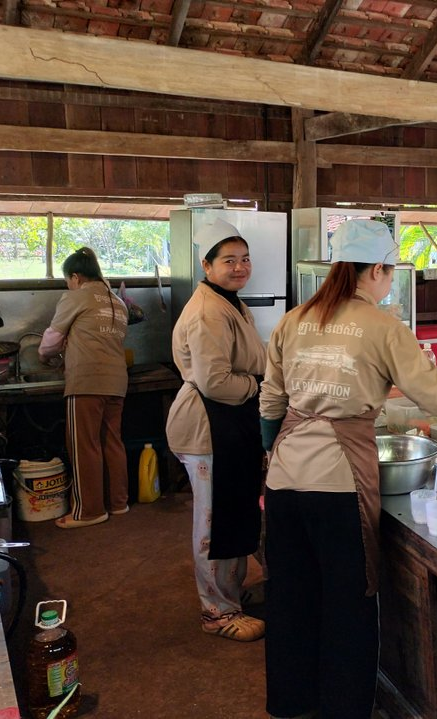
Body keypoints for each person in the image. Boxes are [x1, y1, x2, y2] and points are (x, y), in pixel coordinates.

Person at [260, 219, 437, 719]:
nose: (390, 281)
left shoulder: (294, 318)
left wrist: (273, 456)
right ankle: (344, 709)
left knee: (289, 596)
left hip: (284, 478)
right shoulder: (384, 327)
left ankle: (290, 701)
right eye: (390, 273)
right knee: (349, 603)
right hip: (338, 482)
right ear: (377, 269)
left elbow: (269, 403)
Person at [166, 218, 266, 642]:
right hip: (207, 426)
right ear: (207, 266)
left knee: (233, 511)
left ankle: (230, 596)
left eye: (244, 259)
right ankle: (217, 613)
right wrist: (260, 385)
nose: (240, 267)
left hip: (227, 423)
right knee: (214, 522)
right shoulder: (209, 311)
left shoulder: (228, 300)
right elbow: (216, 383)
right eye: (229, 261)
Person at [39, 247, 129, 529]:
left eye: (68, 280)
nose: (69, 284)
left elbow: (53, 337)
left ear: (76, 277)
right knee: (111, 441)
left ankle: (89, 511)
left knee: (83, 446)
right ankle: (118, 503)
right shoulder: (117, 301)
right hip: (116, 380)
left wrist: (43, 355)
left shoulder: (76, 296)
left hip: (87, 379)